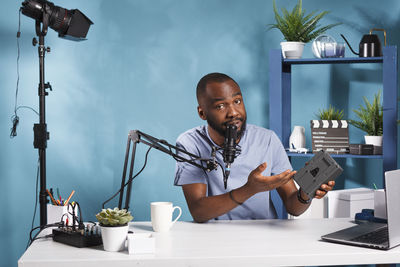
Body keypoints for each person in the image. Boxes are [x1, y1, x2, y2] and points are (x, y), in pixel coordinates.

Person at [174, 73, 335, 223]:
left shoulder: (267, 139)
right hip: (215, 238)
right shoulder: (190, 143)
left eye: (237, 101)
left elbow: (293, 207)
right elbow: (198, 211)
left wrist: (305, 193)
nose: (233, 113)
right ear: (202, 113)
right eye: (221, 106)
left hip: (263, 236)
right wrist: (250, 189)